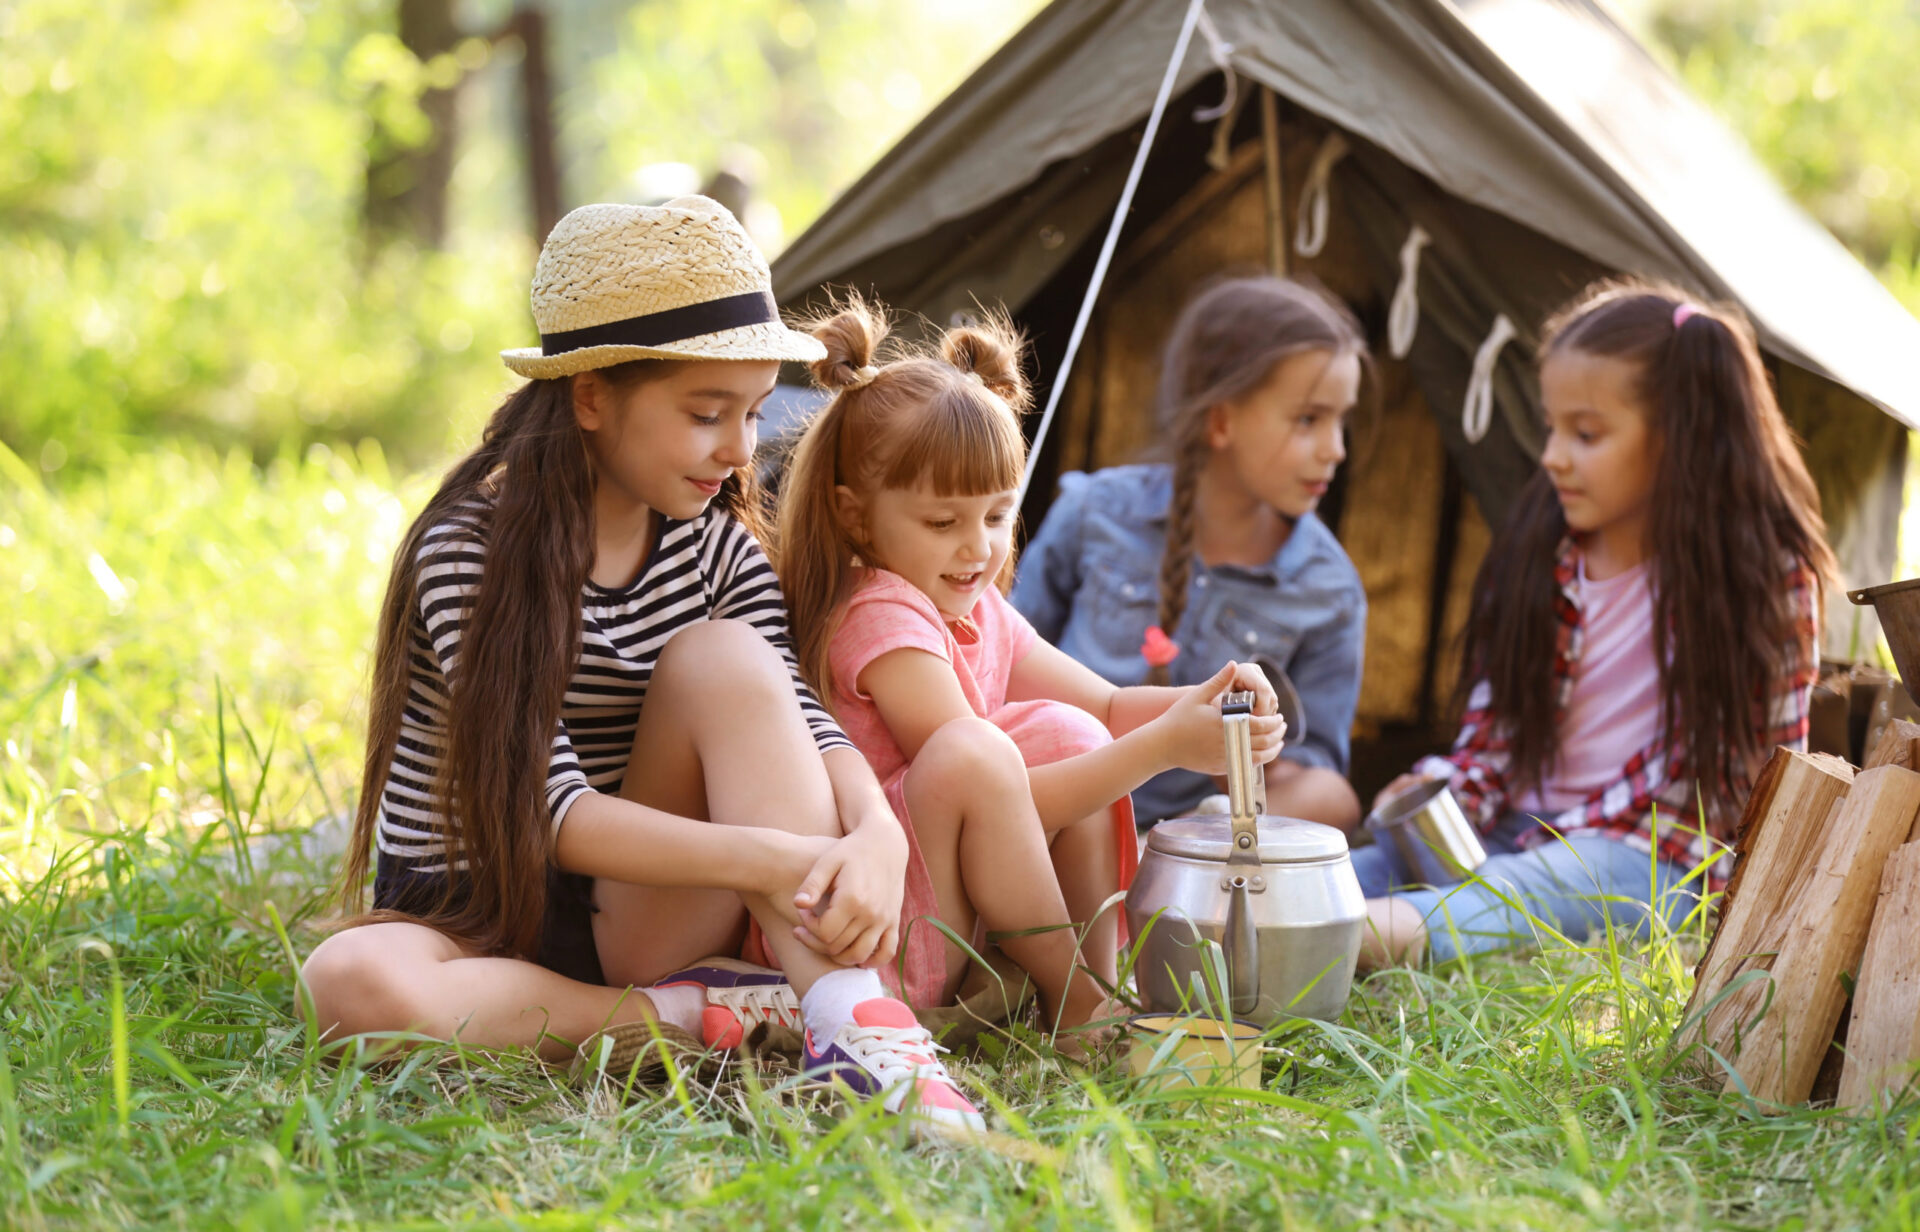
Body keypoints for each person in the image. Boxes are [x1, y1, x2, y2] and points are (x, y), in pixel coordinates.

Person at [300, 199, 983, 1137]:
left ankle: (856, 1025)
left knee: (728, 657)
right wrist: (782, 860)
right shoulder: (468, 553)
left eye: (752, 411)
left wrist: (873, 830)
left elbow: (801, 715)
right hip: (474, 910)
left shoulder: (716, 548)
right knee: (347, 983)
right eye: (707, 414)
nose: (741, 450)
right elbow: (556, 814)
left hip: (641, 916)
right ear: (591, 396)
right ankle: (692, 1017)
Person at [776, 296, 1286, 1038]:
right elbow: (987, 793)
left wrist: (1212, 705)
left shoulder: (972, 606)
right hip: (879, 933)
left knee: (1066, 728)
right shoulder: (877, 616)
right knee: (975, 751)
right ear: (857, 515)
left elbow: (1109, 709)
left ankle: (1092, 989)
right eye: (943, 522)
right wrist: (1165, 748)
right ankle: (1076, 995)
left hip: (947, 912)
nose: (978, 549)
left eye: (995, 516)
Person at [1356, 281, 1835, 967]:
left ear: (1680, 437)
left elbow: (1736, 785)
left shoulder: (1762, 581)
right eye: (1551, 427)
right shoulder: (1543, 553)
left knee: (1530, 888)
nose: (1552, 455)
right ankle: (1284, 914)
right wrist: (1441, 787)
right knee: (1367, 868)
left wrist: (1551, 845)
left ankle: (1353, 940)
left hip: (1652, 862)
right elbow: (1494, 739)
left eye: (1585, 434)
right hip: (1514, 835)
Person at [1011, 275, 1368, 831]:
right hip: (1059, 799)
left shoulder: (1330, 589)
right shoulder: (1095, 511)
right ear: (1221, 420)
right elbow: (999, 653)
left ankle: (1165, 863)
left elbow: (1312, 765)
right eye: (1309, 419)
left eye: (1342, 419)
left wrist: (1249, 758)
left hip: (1198, 834)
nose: (1336, 449)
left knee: (1332, 797)